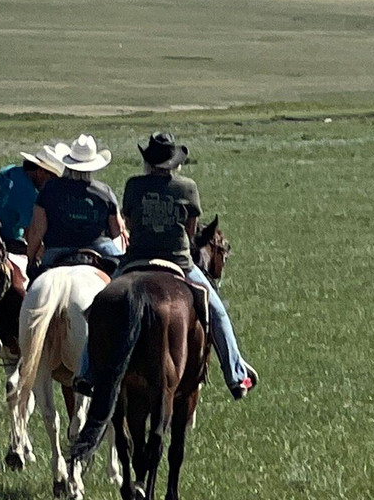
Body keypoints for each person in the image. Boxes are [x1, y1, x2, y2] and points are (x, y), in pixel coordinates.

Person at [75, 131, 258, 400]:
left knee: (99, 308)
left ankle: (87, 373)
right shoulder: (187, 187)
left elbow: (129, 221)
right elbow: (191, 229)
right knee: (217, 312)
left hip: (135, 259)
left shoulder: (134, 185)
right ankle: (235, 375)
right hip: (179, 262)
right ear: (174, 163)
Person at [25, 134, 126, 273]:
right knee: (123, 275)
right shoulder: (105, 192)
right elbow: (116, 232)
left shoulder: (49, 189)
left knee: (34, 286)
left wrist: (30, 259)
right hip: (100, 248)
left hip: (56, 249)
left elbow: (38, 230)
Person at [0, 142, 70, 254]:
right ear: (41, 172)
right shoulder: (28, 194)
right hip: (4, 240)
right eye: (52, 178)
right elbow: (32, 234)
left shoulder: (10, 171)